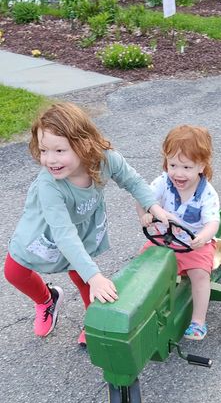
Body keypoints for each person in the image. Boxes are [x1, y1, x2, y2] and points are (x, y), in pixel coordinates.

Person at [3, 102, 170, 346]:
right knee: (14, 272)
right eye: (43, 150)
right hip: (48, 229)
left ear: (83, 144)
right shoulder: (48, 184)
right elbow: (63, 234)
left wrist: (154, 206)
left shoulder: (105, 160)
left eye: (59, 150)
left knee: (81, 275)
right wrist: (96, 276)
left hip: (81, 228)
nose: (50, 159)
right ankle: (46, 300)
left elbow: (132, 181)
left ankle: (93, 321)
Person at [137, 125, 220, 341]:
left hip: (193, 244)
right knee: (141, 264)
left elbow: (212, 222)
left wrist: (202, 237)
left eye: (186, 167)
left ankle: (198, 321)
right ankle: (141, 310)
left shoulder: (207, 194)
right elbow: (143, 199)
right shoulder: (163, 182)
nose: (178, 173)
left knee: (200, 275)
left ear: (201, 166)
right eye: (172, 164)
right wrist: (145, 214)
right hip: (163, 239)